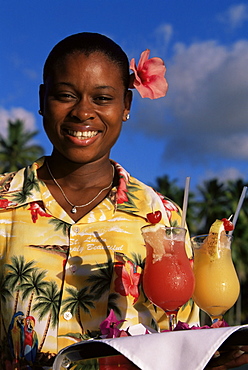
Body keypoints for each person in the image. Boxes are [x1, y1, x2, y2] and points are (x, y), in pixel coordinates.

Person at [0, 32, 247, 370]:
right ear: (43, 99)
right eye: (65, 95)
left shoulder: (161, 215)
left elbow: (179, 334)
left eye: (102, 98)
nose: (83, 112)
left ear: (126, 106)